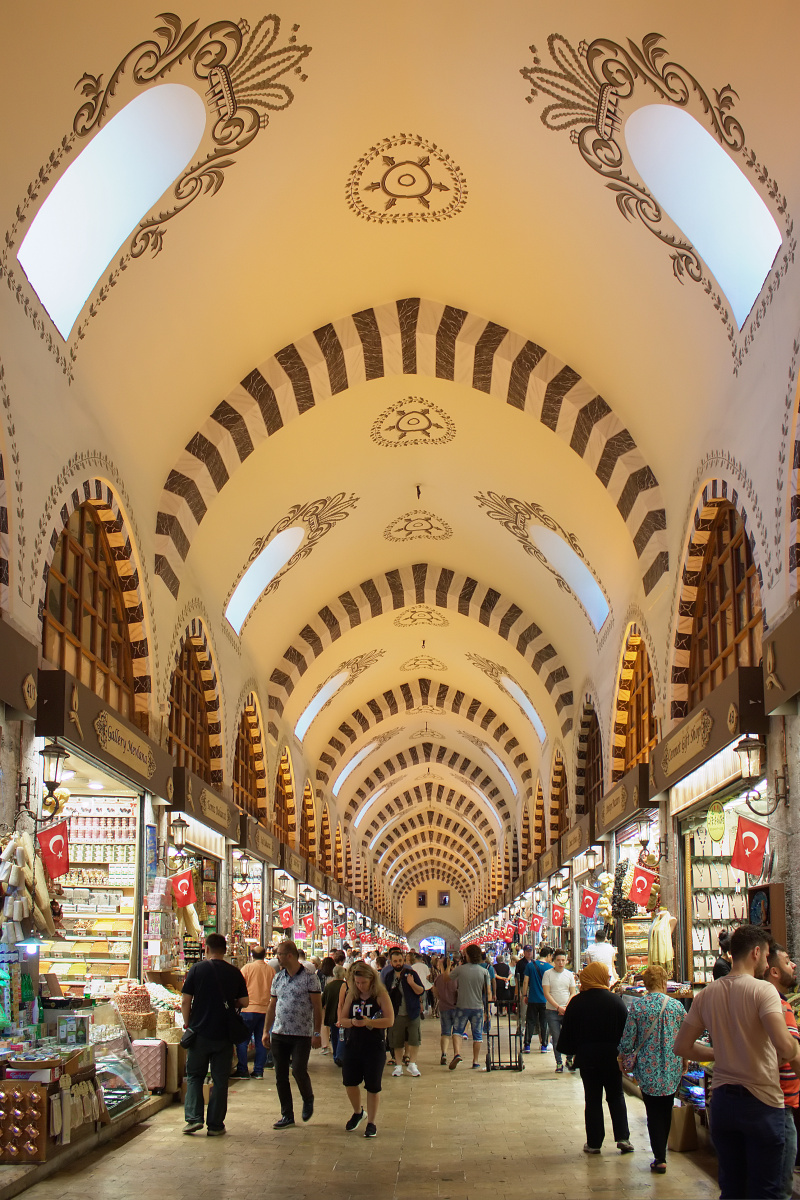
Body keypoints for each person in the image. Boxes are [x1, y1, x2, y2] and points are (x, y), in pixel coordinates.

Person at [674, 924, 800, 1200]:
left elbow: (681, 1046)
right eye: (767, 956)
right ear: (756, 952)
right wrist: (794, 1047)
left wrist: (718, 1054)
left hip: (722, 1102)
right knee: (767, 1191)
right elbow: (784, 1046)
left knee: (732, 1189)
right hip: (762, 1102)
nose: (767, 963)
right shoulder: (763, 991)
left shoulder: (707, 993)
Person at [616, 964, 687, 1173]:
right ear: (664, 982)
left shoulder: (639, 1007)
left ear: (645, 984)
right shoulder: (676, 1007)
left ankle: (660, 1156)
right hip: (672, 1066)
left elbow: (628, 1039)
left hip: (648, 1068)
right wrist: (684, 1061)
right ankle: (661, 1152)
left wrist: (622, 1058)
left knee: (653, 1111)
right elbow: (685, 1037)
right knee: (666, 1109)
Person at [557, 962, 633, 1155]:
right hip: (612, 1059)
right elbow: (627, 1032)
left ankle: (594, 1143)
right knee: (616, 1096)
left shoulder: (577, 1002)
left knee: (592, 1099)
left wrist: (571, 1053)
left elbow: (568, 1032)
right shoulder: (615, 1001)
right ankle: (623, 1138)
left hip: (588, 1059)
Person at [181, 933, 249, 1136]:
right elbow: (244, 1002)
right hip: (224, 1036)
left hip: (199, 1032)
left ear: (206, 948)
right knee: (220, 1080)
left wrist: (187, 1022)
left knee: (194, 1076)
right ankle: (215, 1125)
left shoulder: (197, 969)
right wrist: (230, 1004)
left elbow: (186, 1000)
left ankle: (193, 1118)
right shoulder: (234, 972)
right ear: (225, 950)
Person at [262, 940, 323, 1129]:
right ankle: (287, 1114)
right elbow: (272, 1005)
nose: (276, 957)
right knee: (281, 1075)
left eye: (279, 954)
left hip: (301, 1034)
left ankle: (308, 1097)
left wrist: (317, 1032)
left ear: (289, 955)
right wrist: (266, 1031)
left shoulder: (309, 978)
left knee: (298, 1069)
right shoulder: (278, 978)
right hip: (280, 1033)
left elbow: (317, 1006)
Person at [337, 962, 394, 1137]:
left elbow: (389, 1020)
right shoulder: (351, 995)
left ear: (371, 980)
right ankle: (358, 1112)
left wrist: (370, 1022)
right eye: (358, 983)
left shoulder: (381, 995)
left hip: (374, 1046)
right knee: (350, 1082)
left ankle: (372, 1122)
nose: (360, 986)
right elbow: (342, 1019)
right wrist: (353, 1022)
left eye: (363, 983)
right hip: (353, 1044)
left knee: (373, 1085)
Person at [764, 941, 799, 1200]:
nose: (793, 965)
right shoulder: (779, 1006)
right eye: (787, 961)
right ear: (774, 971)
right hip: (780, 1103)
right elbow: (787, 1053)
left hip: (763, 1102)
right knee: (780, 1189)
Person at [380, 946, 424, 1075]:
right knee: (396, 1040)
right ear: (391, 962)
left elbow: (420, 990)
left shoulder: (411, 974)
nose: (398, 963)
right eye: (395, 961)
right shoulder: (388, 976)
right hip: (396, 1013)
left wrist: (411, 983)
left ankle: (412, 1064)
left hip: (412, 1012)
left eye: (400, 960)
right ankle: (398, 1065)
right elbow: (383, 992)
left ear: (403, 960)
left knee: (414, 1039)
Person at [235, 945, 274, 1078]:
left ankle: (242, 1070)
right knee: (261, 1041)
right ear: (264, 955)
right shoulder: (270, 970)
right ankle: (258, 1071)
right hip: (266, 1010)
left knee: (242, 1041)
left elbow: (239, 987)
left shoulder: (247, 968)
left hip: (248, 1009)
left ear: (251, 955)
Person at [450, 944, 491, 1069]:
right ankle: (475, 1060)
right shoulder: (484, 972)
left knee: (457, 1031)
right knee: (477, 1035)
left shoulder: (460, 969)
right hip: (477, 1007)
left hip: (462, 1005)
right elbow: (488, 992)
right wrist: (488, 1010)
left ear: (467, 955)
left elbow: (449, 978)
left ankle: (457, 1053)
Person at [542, 949, 576, 1072]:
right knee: (556, 1038)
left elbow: (572, 992)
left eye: (563, 960)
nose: (561, 963)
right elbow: (547, 993)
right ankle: (559, 1063)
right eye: (558, 960)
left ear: (566, 961)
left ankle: (570, 1059)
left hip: (567, 1011)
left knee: (570, 1036)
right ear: (554, 961)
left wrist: (566, 1006)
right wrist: (558, 1007)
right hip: (552, 1011)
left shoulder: (569, 974)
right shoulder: (548, 974)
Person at [521, 944, 553, 1054]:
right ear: (548, 956)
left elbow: (525, 981)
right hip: (545, 1000)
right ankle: (544, 1046)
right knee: (544, 1023)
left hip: (533, 999)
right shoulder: (549, 968)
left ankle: (527, 1045)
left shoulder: (530, 966)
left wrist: (524, 995)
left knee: (530, 1022)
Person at [434, 955, 459, 1065]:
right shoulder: (456, 978)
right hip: (456, 1007)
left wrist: (443, 998)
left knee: (445, 1033)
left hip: (444, 1007)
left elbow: (436, 994)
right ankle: (456, 1054)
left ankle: (444, 1054)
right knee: (456, 1033)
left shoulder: (438, 979)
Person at [323, 964, 347, 1065]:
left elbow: (323, 1001)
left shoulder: (329, 986)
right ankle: (340, 1055)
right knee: (342, 1036)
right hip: (343, 1015)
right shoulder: (346, 985)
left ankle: (336, 1055)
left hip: (332, 1015)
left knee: (334, 1036)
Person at [317, 955, 335, 1051]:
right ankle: (330, 1041)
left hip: (321, 998)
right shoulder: (334, 974)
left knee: (323, 1022)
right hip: (332, 999)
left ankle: (325, 1045)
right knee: (331, 1021)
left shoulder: (319, 974)